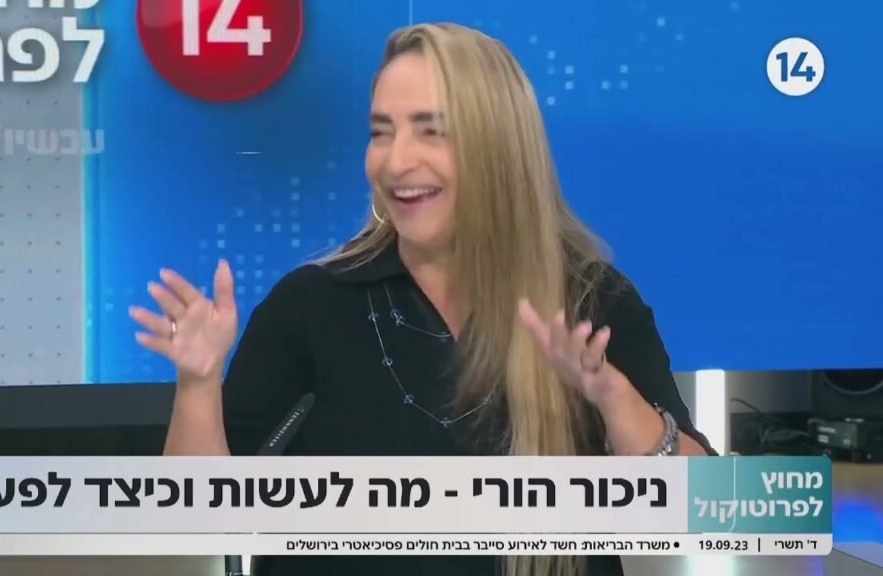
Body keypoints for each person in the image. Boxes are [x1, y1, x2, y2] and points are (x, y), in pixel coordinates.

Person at [129, 22, 715, 576]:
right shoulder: (310, 305)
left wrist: (614, 400)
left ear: (499, 149)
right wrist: (199, 384)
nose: (395, 160)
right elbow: (192, 525)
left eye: (430, 131)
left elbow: (704, 517)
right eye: (381, 131)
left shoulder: (593, 302)